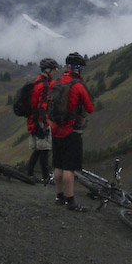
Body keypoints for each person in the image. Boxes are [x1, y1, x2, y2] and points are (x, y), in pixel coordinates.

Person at [50, 52, 94, 211]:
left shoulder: (55, 83)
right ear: (78, 68)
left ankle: (59, 196)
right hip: (71, 131)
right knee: (69, 168)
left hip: (55, 129)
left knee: (58, 165)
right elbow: (90, 108)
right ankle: (71, 201)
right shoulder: (78, 86)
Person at [24, 58, 59, 184]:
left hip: (32, 120)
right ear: (48, 70)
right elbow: (42, 105)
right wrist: (45, 123)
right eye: (54, 70)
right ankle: (46, 177)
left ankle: (29, 174)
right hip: (40, 120)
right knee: (44, 149)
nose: (55, 72)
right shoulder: (44, 85)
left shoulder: (37, 81)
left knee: (38, 150)